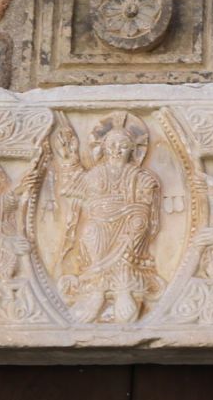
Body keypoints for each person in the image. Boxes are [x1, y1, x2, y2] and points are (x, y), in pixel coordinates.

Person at [54, 114, 162, 323]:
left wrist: (132, 204)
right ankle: (97, 289)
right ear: (102, 147)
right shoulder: (96, 173)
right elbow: (72, 187)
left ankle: (123, 286)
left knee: (139, 222)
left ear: (133, 150)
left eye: (123, 145)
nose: (116, 149)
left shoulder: (139, 176)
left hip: (129, 222)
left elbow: (144, 205)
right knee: (90, 231)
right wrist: (70, 158)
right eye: (111, 144)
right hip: (100, 223)